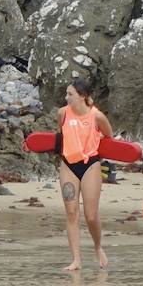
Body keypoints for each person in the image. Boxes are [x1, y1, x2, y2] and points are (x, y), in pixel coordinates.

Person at [56, 78, 113, 271]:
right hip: (68, 166)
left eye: (70, 94)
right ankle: (76, 260)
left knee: (91, 215)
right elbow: (61, 134)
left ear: (83, 96)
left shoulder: (97, 116)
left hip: (90, 164)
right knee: (71, 212)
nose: (66, 97)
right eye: (66, 93)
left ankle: (98, 246)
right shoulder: (62, 113)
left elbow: (109, 136)